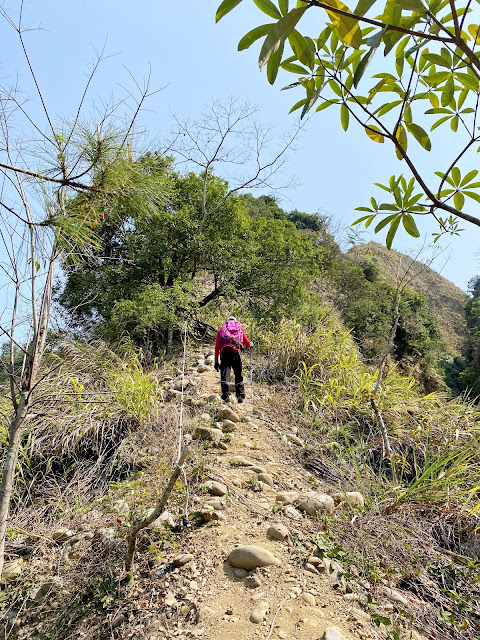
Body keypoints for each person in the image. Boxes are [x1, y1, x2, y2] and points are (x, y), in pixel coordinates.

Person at [214, 316, 252, 403]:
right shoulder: (239, 328)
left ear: (226, 322)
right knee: (238, 373)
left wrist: (216, 361)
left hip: (224, 354)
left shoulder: (222, 330)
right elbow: (247, 343)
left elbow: (217, 347)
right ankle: (240, 396)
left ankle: (226, 397)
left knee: (225, 374)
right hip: (235, 353)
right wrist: (251, 344)